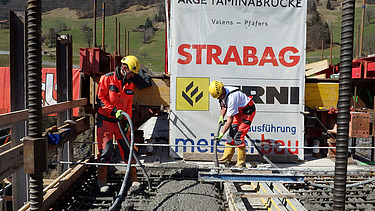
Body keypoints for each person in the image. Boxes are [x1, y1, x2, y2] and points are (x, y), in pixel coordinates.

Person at [96, 55, 140, 193]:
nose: (132, 75)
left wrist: (127, 120)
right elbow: (101, 100)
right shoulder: (106, 79)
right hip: (106, 121)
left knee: (128, 149)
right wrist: (113, 110)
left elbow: (128, 104)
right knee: (106, 151)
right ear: (124, 68)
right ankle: (102, 180)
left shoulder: (130, 84)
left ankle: (134, 178)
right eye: (132, 72)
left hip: (121, 122)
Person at [209, 80, 256, 168]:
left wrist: (221, 134)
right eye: (217, 98)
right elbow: (223, 107)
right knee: (231, 136)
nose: (219, 98)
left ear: (223, 89)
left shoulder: (231, 97)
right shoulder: (220, 95)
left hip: (247, 112)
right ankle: (226, 158)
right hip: (238, 112)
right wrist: (221, 117)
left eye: (219, 97)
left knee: (238, 136)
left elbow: (230, 120)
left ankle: (241, 162)